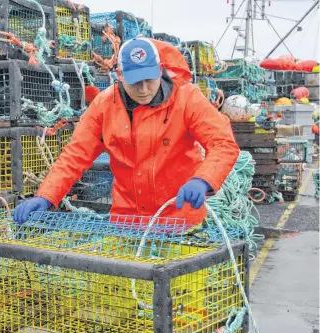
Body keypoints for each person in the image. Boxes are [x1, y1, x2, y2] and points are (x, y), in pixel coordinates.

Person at [13, 37, 240, 225]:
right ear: (120, 75)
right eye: (135, 82)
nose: (143, 90)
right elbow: (75, 155)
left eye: (149, 81)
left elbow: (223, 143)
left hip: (180, 222)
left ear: (160, 70)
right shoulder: (104, 105)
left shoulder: (188, 98)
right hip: (127, 223)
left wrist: (203, 179)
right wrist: (46, 195)